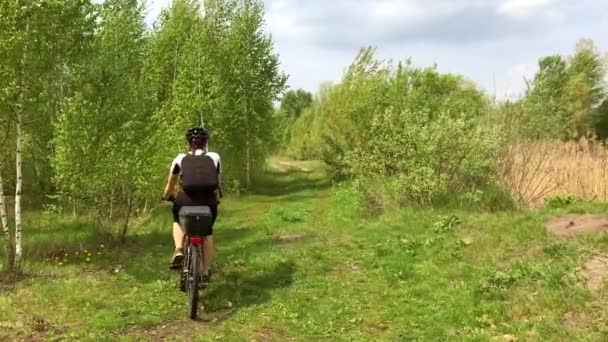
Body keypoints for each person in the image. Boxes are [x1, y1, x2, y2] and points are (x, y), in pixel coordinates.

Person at [162, 127, 221, 286]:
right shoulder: (214, 157)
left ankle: (179, 249)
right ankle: (205, 271)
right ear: (205, 142)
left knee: (177, 219)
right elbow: (216, 180)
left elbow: (171, 184)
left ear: (188, 143)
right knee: (207, 232)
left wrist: (166, 196)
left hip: (185, 200)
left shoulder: (180, 158)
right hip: (209, 202)